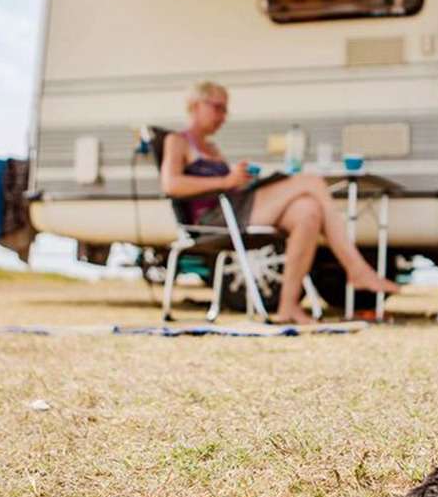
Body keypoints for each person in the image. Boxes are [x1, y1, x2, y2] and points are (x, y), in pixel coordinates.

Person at [159, 81, 400, 324]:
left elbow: (227, 183)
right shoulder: (177, 141)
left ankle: (288, 306)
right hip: (213, 220)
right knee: (312, 182)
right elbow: (171, 185)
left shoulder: (212, 147)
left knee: (308, 210)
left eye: (225, 110)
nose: (223, 116)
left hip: (235, 208)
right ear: (195, 105)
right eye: (218, 107)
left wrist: (240, 181)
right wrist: (226, 180)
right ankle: (356, 268)